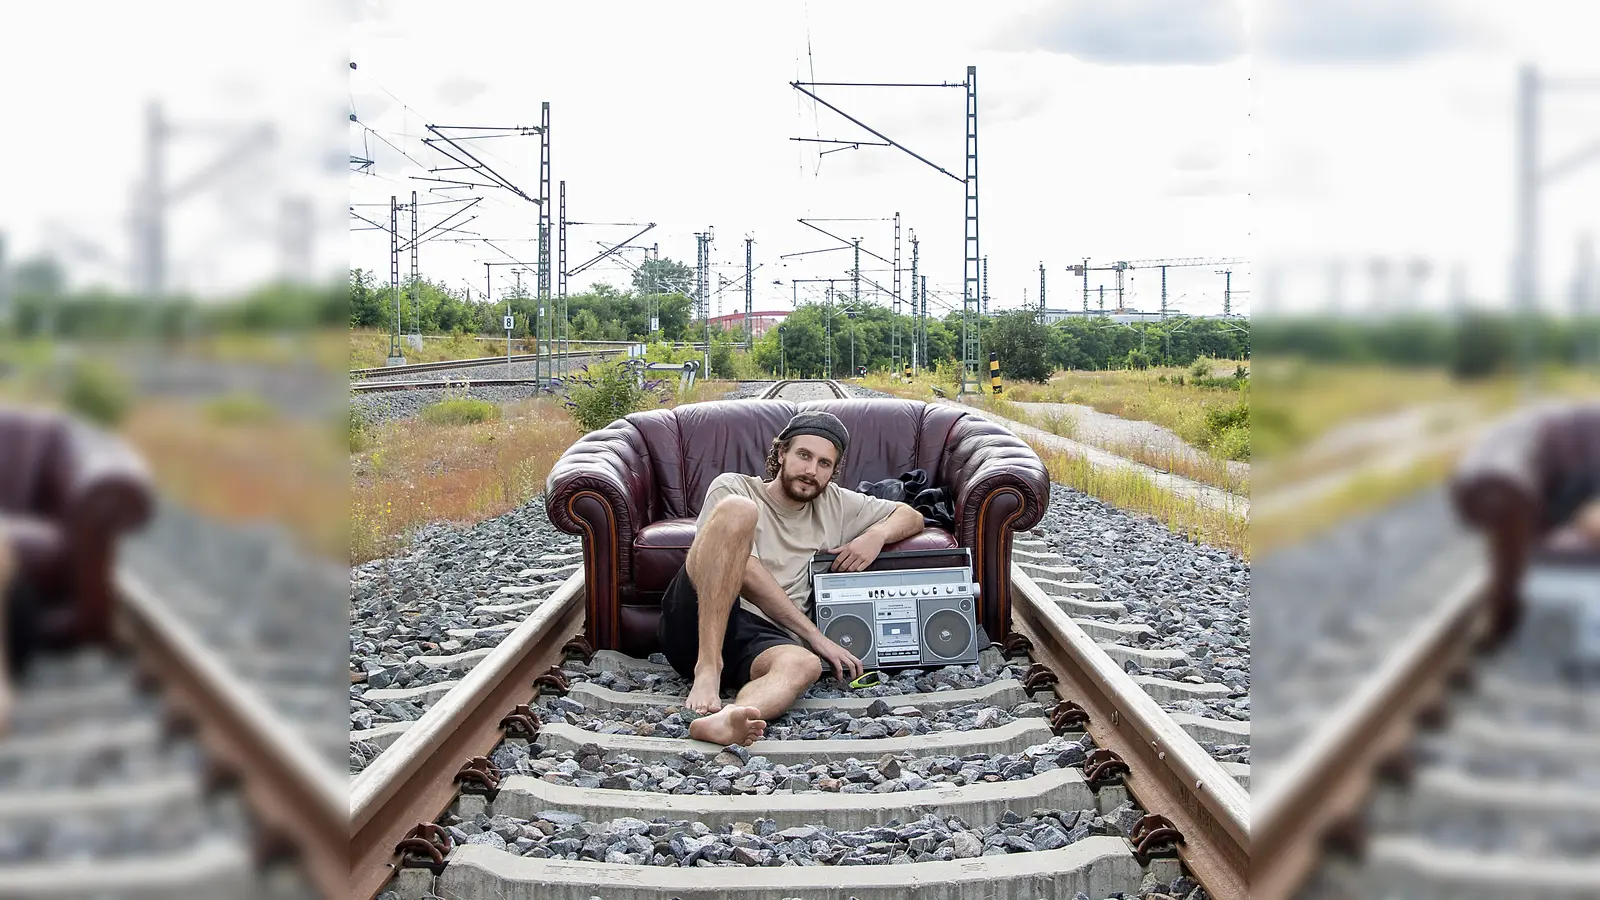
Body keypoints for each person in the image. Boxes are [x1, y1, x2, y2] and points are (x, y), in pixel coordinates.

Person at [657, 410, 927, 746]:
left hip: (759, 637)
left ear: (833, 471)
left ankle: (731, 717)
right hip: (696, 616)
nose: (812, 470)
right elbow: (745, 573)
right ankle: (708, 670)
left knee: (804, 664)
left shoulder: (836, 504)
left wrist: (876, 534)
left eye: (824, 463)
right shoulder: (733, 486)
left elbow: (911, 515)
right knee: (740, 510)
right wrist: (815, 635)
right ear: (781, 453)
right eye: (803, 455)